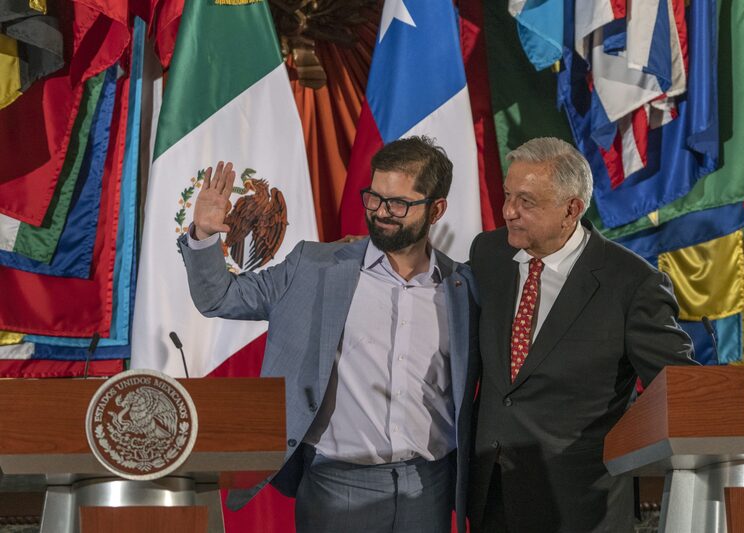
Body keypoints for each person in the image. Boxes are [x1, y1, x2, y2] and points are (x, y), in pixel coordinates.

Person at [179, 136, 479, 533]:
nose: (381, 213)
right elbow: (219, 298)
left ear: (436, 209)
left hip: (429, 485)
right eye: (373, 198)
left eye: (398, 204)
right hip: (336, 486)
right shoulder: (313, 266)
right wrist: (203, 237)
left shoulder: (464, 288)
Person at [467, 137, 697, 533]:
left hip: (580, 504)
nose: (508, 212)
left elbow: (679, 389)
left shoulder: (633, 284)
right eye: (507, 195)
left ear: (571, 209)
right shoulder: (489, 254)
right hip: (492, 494)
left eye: (526, 201)